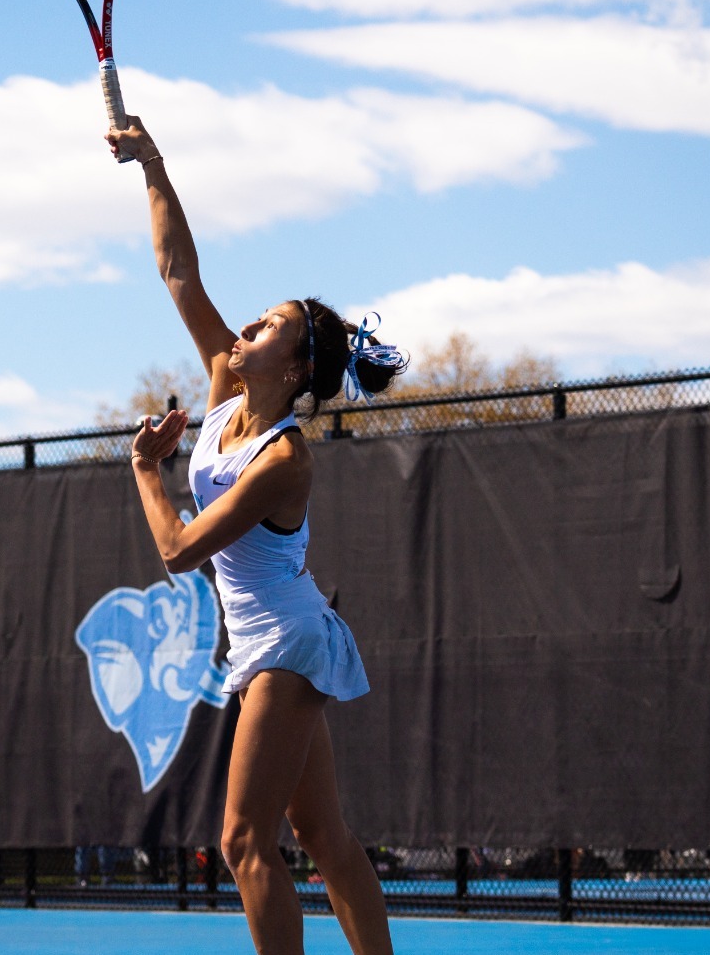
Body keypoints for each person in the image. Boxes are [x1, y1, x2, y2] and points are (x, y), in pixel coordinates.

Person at [110, 117, 405, 955]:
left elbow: (177, 551)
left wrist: (144, 470)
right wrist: (153, 165)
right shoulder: (226, 385)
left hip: (287, 640)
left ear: (293, 368)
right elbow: (177, 270)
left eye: (266, 326)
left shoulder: (285, 461)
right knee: (325, 840)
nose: (244, 330)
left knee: (244, 841)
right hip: (269, 640)